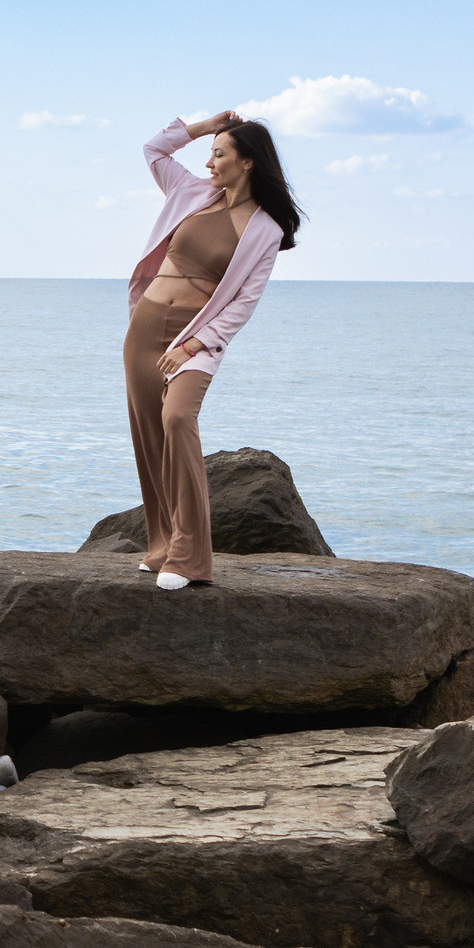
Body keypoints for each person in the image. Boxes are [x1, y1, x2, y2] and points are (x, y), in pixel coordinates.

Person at [121, 108, 304, 588]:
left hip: (197, 335)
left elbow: (244, 303)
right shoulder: (192, 194)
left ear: (246, 163)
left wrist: (194, 344)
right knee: (150, 437)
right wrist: (206, 126)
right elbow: (153, 149)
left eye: (219, 154)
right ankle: (162, 544)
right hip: (145, 327)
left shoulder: (266, 229)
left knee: (178, 418)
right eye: (209, 152)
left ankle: (191, 558)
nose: (209, 163)